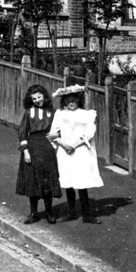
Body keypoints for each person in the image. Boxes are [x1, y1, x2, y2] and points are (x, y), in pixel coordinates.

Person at [48, 85, 105, 223]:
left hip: (80, 151)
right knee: (69, 182)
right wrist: (63, 145)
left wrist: (72, 146)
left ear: (79, 101)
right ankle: (71, 212)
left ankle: (86, 215)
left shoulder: (87, 115)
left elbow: (88, 134)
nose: (71, 103)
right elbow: (53, 133)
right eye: (68, 100)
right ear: (65, 101)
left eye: (74, 100)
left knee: (81, 182)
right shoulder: (60, 114)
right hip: (65, 150)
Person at [15, 84, 61, 224]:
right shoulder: (29, 112)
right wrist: (26, 153)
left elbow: (58, 130)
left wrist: (54, 142)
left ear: (44, 96)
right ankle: (33, 213)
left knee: (47, 181)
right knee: (32, 181)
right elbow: (22, 132)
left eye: (39, 97)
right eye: (34, 98)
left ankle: (49, 213)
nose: (37, 100)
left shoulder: (52, 111)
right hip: (33, 148)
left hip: (47, 148)